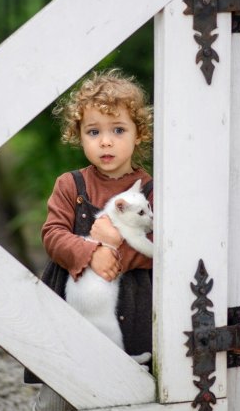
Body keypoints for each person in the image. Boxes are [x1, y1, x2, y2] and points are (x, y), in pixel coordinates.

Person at [28, 69, 154, 411]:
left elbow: (164, 246)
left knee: (131, 392)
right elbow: (52, 235)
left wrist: (117, 250)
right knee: (62, 391)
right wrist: (91, 252)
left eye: (118, 130)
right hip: (75, 309)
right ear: (78, 135)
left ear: (138, 134)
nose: (106, 141)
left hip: (133, 308)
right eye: (94, 131)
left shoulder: (152, 190)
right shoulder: (70, 185)